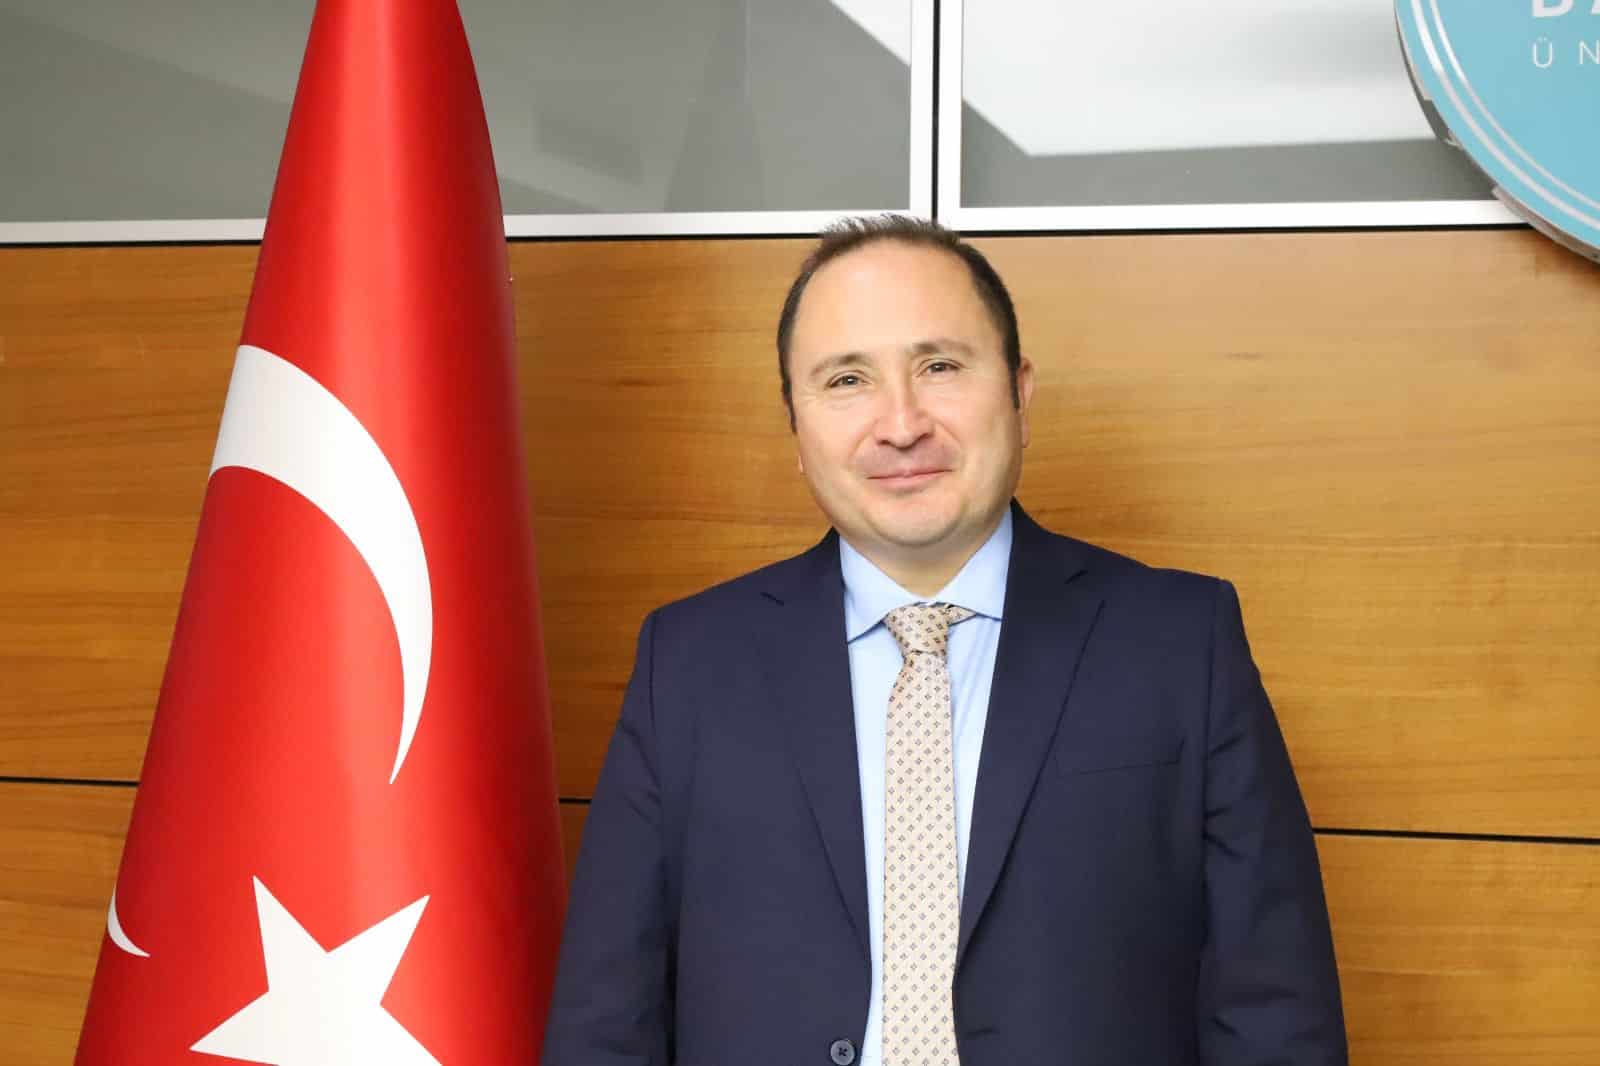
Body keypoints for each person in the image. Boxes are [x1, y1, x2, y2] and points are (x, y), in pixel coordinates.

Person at [541, 216, 1347, 1066]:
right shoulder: (689, 663)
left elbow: (1274, 1012)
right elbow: (608, 1020)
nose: (900, 424)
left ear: (1019, 393)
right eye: (846, 379)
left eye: (940, 367)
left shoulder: (1181, 644)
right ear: (795, 426)